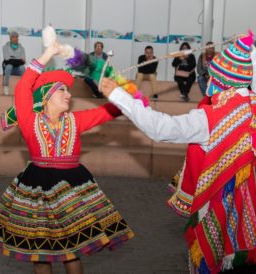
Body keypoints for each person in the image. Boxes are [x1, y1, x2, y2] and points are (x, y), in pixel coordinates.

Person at [100, 32, 256, 273]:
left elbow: (160, 128)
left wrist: (117, 95)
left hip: (224, 211)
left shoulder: (210, 118)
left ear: (220, 81)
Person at [0, 43, 134, 274]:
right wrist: (48, 53)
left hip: (72, 185)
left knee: (72, 249)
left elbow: (108, 111)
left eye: (68, 91)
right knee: (41, 252)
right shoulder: (29, 120)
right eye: (63, 90)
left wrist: (120, 91)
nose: (69, 95)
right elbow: (23, 87)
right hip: (38, 186)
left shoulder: (75, 121)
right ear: (46, 95)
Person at [2, 31, 26, 95]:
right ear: (10, 38)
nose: (15, 39)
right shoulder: (5, 47)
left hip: (18, 69)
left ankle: (24, 88)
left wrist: (12, 59)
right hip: (10, 69)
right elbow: (7, 59)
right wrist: (18, 60)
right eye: (13, 37)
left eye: (16, 37)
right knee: (9, 66)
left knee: (22, 67)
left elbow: (23, 61)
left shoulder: (22, 48)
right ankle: (6, 87)